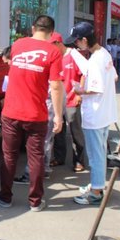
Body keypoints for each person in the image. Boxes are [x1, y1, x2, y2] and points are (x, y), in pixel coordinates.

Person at [0, 15, 63, 212]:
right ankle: (35, 202)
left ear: (33, 28)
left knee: (9, 155)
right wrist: (58, 115)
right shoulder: (53, 52)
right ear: (51, 32)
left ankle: (5, 198)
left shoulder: (18, 45)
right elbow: (55, 86)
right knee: (36, 157)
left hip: (11, 112)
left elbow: (12, 67)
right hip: (36, 115)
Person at [66, 22, 118, 205]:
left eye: (77, 42)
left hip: (95, 116)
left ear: (85, 40)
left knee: (95, 156)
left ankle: (96, 193)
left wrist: (80, 91)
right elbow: (115, 77)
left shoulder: (96, 60)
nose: (76, 46)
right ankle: (97, 185)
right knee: (100, 153)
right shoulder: (104, 54)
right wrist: (73, 54)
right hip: (104, 114)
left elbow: (96, 88)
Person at [16, 31, 65, 184]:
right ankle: (44, 170)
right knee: (47, 140)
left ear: (57, 44)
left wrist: (57, 115)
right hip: (51, 103)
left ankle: (31, 174)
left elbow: (55, 87)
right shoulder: (56, 58)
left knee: (41, 142)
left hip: (49, 104)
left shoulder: (55, 59)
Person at [52, 40, 88, 173]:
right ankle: (59, 157)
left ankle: (79, 161)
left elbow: (85, 72)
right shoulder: (54, 56)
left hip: (72, 99)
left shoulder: (74, 55)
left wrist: (79, 93)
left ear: (58, 43)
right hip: (57, 100)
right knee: (58, 130)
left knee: (75, 131)